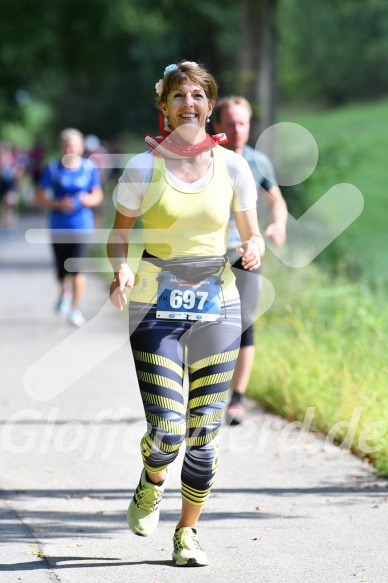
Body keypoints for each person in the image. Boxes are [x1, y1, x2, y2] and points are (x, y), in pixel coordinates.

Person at [107, 61, 265, 567]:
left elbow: (250, 230)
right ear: (164, 107)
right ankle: (152, 479)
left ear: (209, 105)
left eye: (198, 96)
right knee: (169, 432)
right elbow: (119, 234)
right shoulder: (141, 168)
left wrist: (254, 247)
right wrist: (122, 271)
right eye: (179, 97)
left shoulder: (234, 167)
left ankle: (187, 535)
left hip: (218, 305)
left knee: (203, 435)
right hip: (155, 305)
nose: (189, 105)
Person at [212, 96, 288, 425]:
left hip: (246, 252)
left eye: (242, 123)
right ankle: (201, 394)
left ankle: (237, 400)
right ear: (217, 126)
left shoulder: (258, 163)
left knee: (245, 323)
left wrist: (277, 223)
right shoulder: (206, 159)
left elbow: (277, 202)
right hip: (208, 254)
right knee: (204, 324)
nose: (237, 130)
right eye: (230, 123)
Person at [36, 128, 103, 326]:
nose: (70, 149)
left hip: (81, 226)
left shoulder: (89, 168)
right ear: (61, 147)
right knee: (61, 269)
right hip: (58, 226)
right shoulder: (52, 168)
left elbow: (97, 195)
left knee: (77, 268)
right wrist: (57, 204)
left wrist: (86, 199)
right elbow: (39, 196)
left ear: (81, 147)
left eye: (74, 145)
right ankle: (64, 291)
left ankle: (75, 308)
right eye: (67, 145)